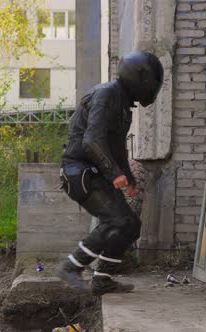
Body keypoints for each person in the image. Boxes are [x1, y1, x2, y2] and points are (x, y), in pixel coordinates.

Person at [57, 51, 163, 296]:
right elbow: (91, 141)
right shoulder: (106, 94)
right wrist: (115, 173)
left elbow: (116, 147)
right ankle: (70, 267)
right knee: (116, 220)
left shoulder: (122, 102)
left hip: (94, 171)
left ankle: (102, 279)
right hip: (79, 171)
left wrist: (128, 176)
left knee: (131, 224)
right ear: (140, 78)